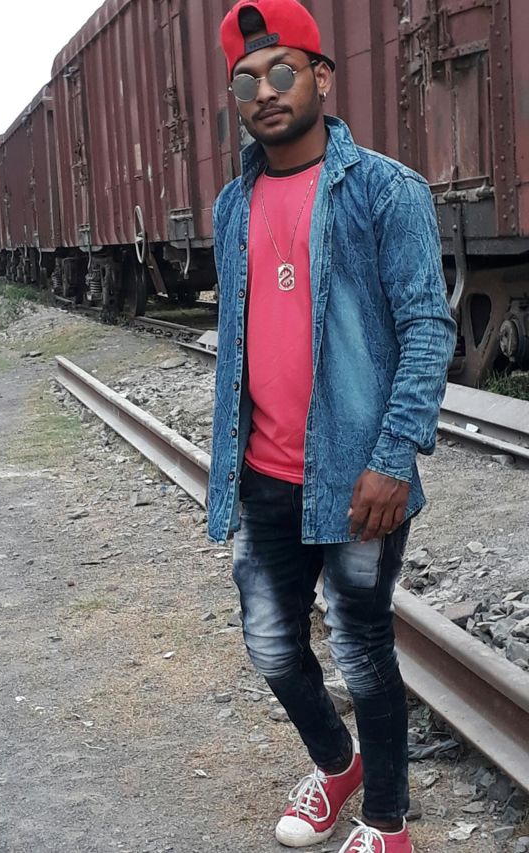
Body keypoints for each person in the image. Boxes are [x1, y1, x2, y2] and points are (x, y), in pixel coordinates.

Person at [208, 1, 457, 851]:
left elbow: (427, 329)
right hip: (263, 474)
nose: (266, 92)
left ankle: (387, 824)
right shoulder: (231, 206)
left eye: (283, 72)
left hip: (358, 475)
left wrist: (394, 456)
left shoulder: (387, 190)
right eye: (247, 81)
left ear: (320, 76)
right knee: (270, 646)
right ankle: (336, 764)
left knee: (360, 647)